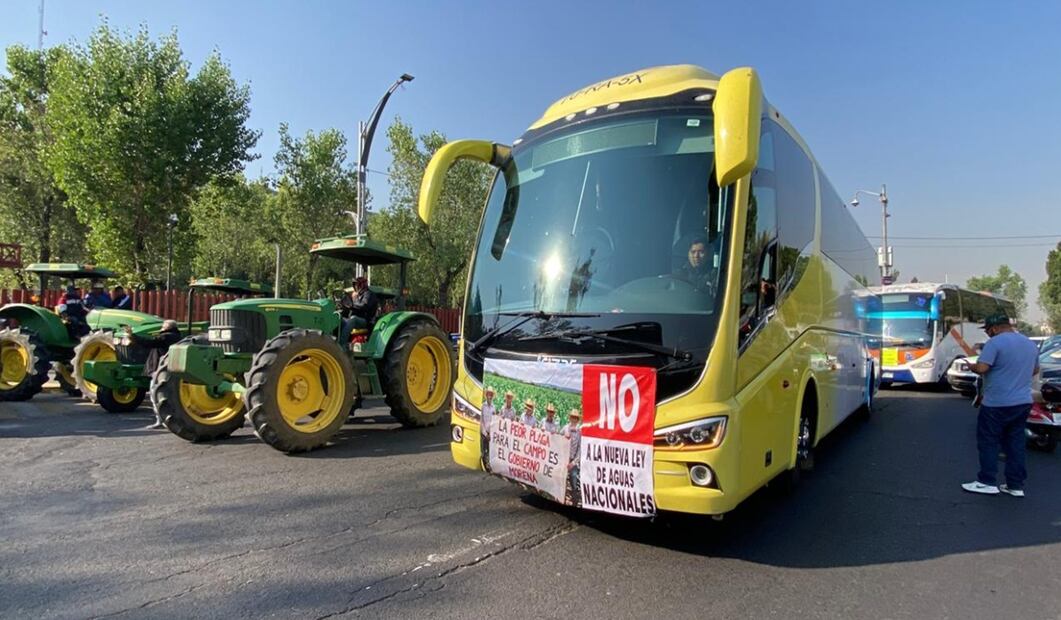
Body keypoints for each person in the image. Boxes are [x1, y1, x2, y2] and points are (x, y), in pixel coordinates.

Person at [961, 313, 1039, 497]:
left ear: (994, 328)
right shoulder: (1029, 344)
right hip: (1023, 402)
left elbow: (982, 368)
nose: (987, 334)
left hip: (996, 403)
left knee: (989, 441)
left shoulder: (994, 343)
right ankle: (1015, 485)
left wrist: (972, 366)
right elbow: (1035, 369)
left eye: (988, 330)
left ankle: (986, 481)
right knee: (1016, 443)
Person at [126, 320, 183, 429]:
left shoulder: (166, 337)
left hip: (159, 371)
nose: (161, 328)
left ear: (167, 327)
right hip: (169, 370)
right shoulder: (177, 337)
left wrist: (132, 336)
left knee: (155, 395)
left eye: (163, 326)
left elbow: (148, 342)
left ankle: (160, 420)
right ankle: (167, 420)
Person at [339, 276, 380, 345]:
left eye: (357, 285)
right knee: (339, 319)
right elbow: (351, 307)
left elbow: (364, 306)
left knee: (353, 319)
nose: (355, 287)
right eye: (355, 285)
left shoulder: (369, 294)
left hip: (366, 320)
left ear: (362, 285)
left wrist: (352, 305)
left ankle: (341, 344)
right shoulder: (357, 295)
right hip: (356, 318)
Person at [563, 409, 583, 506]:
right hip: (563, 458)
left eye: (575, 418)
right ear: (570, 418)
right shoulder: (565, 428)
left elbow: (580, 449)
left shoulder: (580, 431)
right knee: (560, 477)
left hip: (573, 459)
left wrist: (574, 462)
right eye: (572, 417)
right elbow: (556, 437)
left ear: (577, 419)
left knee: (574, 477)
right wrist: (563, 437)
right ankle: (562, 497)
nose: (573, 419)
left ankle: (575, 499)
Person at [480, 386, 496, 464]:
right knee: (483, 452)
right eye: (488, 394)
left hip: (491, 433)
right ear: (486, 395)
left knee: (490, 452)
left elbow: (494, 421)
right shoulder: (482, 406)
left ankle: (488, 465)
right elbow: (481, 421)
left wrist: (491, 433)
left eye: (491, 394)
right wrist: (486, 434)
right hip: (484, 433)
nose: (490, 396)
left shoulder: (494, 407)